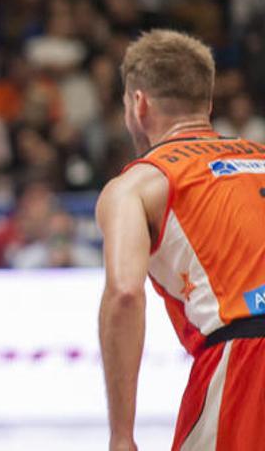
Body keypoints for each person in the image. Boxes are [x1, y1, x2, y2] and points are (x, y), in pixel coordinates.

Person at [97, 29, 265, 451]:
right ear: (207, 104)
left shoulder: (136, 184)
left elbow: (124, 296)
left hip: (248, 356)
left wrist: (121, 435)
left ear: (138, 103)